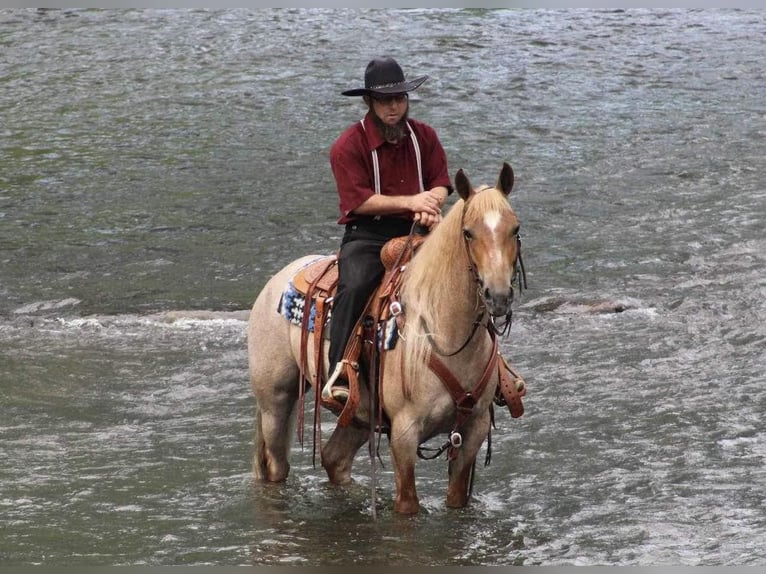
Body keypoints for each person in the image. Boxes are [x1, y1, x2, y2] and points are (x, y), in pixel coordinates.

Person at [322, 56, 453, 404]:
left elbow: (441, 183)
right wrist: (413, 202)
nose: (394, 107)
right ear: (370, 103)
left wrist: (431, 205)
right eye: (385, 101)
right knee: (355, 285)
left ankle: (489, 364)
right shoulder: (347, 146)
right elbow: (358, 201)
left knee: (467, 273)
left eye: (399, 99)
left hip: (420, 229)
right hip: (368, 234)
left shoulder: (424, 136)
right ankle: (341, 371)